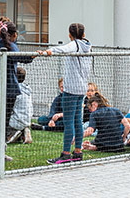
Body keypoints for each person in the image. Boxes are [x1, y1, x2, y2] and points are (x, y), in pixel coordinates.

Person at [37, 22, 92, 164]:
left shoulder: (75, 45)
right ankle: (77, 152)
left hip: (71, 90)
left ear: (70, 35)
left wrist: (48, 51)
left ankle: (66, 154)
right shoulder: (87, 46)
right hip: (81, 88)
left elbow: (63, 49)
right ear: (83, 34)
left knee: (69, 122)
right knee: (77, 121)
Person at [0, 17, 34, 164]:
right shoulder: (11, 46)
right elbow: (23, 58)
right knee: (4, 121)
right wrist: (34, 55)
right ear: (14, 35)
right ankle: (0, 152)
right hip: (9, 89)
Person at [6, 66, 33, 144]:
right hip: (27, 121)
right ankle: (23, 132)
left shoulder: (13, 89)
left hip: (16, 121)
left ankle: (11, 133)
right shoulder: (27, 90)